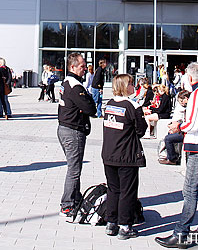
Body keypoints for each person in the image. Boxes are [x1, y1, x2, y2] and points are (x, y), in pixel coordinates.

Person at [155, 62, 198, 248]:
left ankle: (181, 233)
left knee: (190, 190)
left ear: (191, 77)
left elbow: (193, 123)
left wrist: (177, 126)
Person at [102, 73, 147, 240]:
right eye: (131, 84)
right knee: (127, 191)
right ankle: (125, 226)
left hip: (109, 153)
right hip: (127, 155)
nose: (133, 86)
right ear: (124, 86)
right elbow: (140, 130)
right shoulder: (132, 106)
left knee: (113, 189)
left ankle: (111, 222)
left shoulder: (109, 105)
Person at [57, 52, 96, 220]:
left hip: (65, 128)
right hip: (73, 130)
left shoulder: (67, 82)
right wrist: (86, 103)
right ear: (72, 67)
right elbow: (91, 108)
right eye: (81, 66)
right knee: (74, 169)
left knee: (75, 167)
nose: (85, 69)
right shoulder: (74, 85)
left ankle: (75, 197)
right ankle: (67, 205)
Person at [159, 90, 189, 166]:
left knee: (168, 139)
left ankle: (172, 158)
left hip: (185, 132)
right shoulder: (185, 107)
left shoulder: (188, 108)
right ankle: (170, 155)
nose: (182, 103)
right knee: (169, 134)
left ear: (186, 98)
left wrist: (178, 127)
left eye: (182, 101)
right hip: (182, 129)